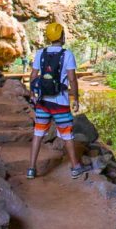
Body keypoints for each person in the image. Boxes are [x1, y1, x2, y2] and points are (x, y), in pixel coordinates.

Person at [27, 22, 91, 179]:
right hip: (60, 103)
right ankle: (76, 167)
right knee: (67, 135)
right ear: (62, 36)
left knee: (38, 134)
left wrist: (32, 94)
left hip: (43, 102)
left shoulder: (40, 53)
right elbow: (72, 79)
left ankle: (31, 169)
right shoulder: (67, 54)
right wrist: (75, 98)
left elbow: (33, 76)